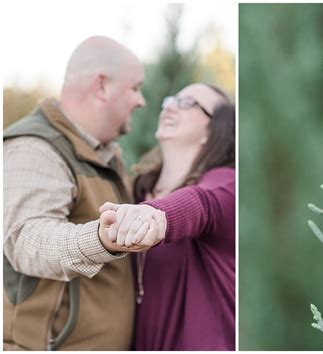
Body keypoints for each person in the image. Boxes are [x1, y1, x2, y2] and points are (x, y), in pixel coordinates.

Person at [3, 36, 164, 351]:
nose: (141, 100)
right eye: (135, 88)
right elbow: (26, 239)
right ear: (101, 86)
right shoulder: (35, 148)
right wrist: (102, 239)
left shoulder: (106, 153)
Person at [99, 83, 235, 350]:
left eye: (188, 103)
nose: (170, 106)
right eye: (171, 99)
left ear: (214, 130)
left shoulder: (227, 182)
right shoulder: (136, 192)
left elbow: (201, 203)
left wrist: (157, 216)